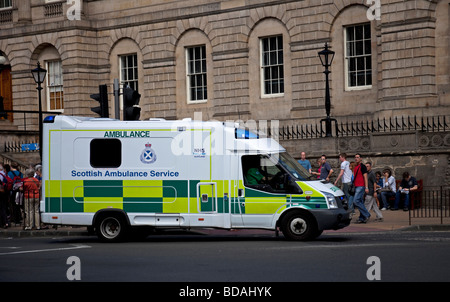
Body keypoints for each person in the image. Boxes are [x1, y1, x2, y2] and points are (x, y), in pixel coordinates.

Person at [349, 153, 370, 223]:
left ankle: (366, 214)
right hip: (356, 186)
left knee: (356, 201)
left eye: (357, 157)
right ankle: (362, 218)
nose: (356, 158)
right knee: (360, 202)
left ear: (361, 158)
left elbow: (365, 177)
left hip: (361, 186)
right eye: (355, 157)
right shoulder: (356, 167)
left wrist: (366, 187)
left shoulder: (363, 166)